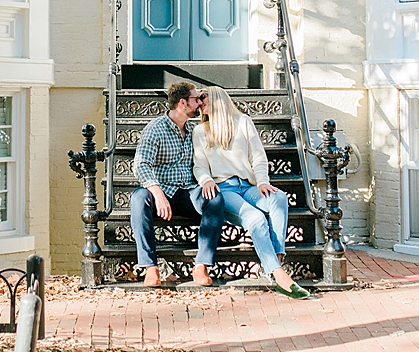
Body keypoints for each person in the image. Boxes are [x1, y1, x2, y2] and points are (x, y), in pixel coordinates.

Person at [193, 86, 311, 299]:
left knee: (279, 198)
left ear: (217, 98)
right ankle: (279, 275)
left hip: (248, 187)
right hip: (224, 190)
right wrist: (206, 180)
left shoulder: (243, 122)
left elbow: (258, 156)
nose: (199, 103)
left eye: (202, 98)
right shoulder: (200, 131)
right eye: (198, 99)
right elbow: (199, 165)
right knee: (255, 218)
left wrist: (263, 182)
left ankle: (276, 261)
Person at [130, 81, 225, 287]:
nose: (200, 103)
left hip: (188, 192)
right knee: (138, 198)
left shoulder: (195, 131)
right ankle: (150, 267)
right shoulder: (155, 129)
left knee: (215, 198)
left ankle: (201, 264)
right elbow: (140, 164)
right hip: (161, 191)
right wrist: (157, 193)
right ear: (183, 103)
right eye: (196, 99)